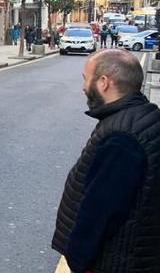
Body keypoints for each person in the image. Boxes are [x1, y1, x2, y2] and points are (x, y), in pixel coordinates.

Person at [52, 49, 160, 273]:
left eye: (86, 78)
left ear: (103, 82)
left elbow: (101, 211)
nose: (83, 87)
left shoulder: (122, 136)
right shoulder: (143, 117)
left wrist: (79, 262)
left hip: (114, 262)